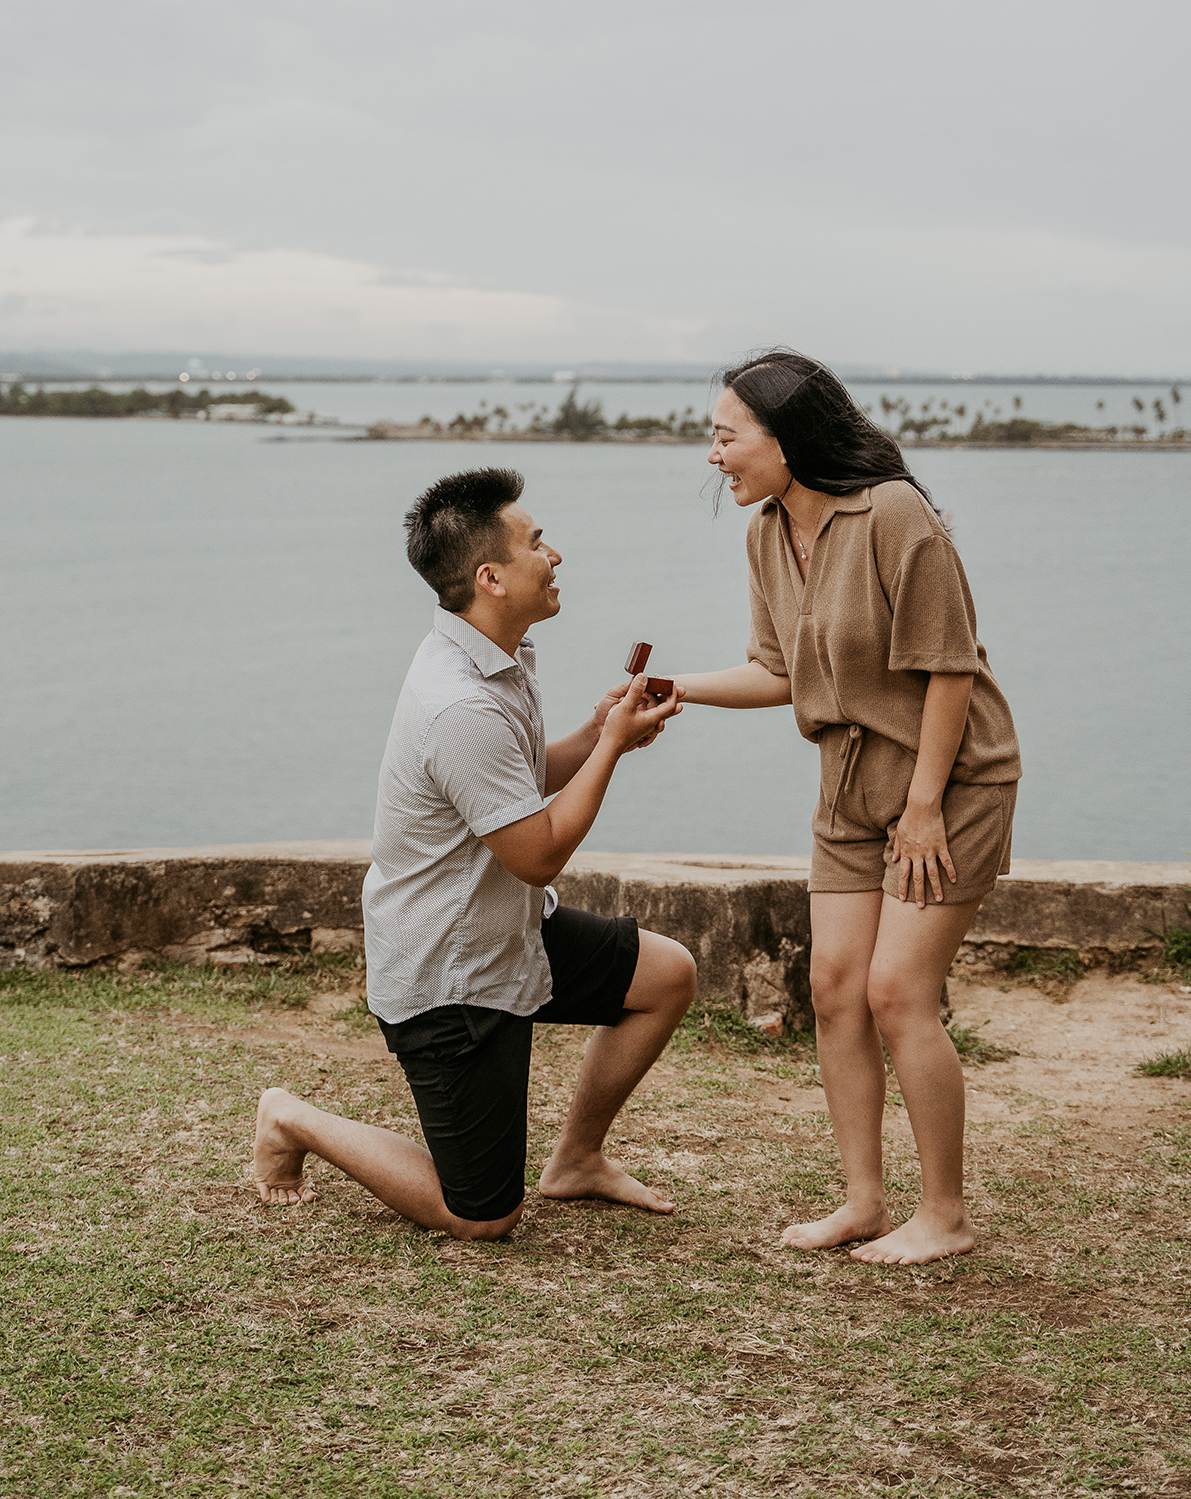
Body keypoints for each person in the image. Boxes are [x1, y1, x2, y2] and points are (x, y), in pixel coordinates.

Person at [253, 466, 696, 1239]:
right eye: (537, 543)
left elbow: (514, 785)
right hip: (450, 977)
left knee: (667, 977)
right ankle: (292, 1117)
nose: (555, 555)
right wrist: (615, 750)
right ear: (490, 577)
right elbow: (537, 854)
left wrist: (597, 734)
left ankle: (578, 1159)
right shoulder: (459, 701)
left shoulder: (501, 658)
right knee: (482, 1216)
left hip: (508, 934)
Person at [676, 352, 1021, 1265]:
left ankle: (943, 1215)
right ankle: (864, 1202)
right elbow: (776, 673)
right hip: (847, 782)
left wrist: (923, 808)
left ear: (786, 440)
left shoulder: (894, 514)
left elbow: (950, 666)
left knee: (898, 991)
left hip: (952, 782)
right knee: (834, 991)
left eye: (725, 435)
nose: (713, 454)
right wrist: (672, 689)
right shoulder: (765, 535)